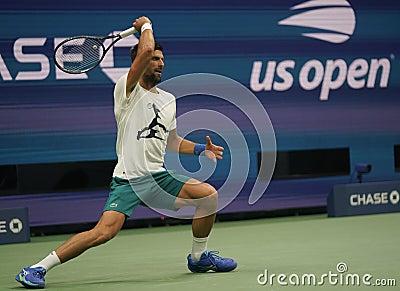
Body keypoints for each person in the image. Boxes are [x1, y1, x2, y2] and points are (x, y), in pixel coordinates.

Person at [15, 16, 237, 289]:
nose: (160, 63)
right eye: (154, 58)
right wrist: (146, 25)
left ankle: (199, 257)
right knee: (103, 233)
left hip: (159, 177)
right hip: (129, 180)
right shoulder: (126, 89)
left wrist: (202, 149)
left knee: (208, 197)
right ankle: (37, 268)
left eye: (162, 59)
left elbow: (173, 142)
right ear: (140, 62)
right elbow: (143, 50)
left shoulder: (168, 100)